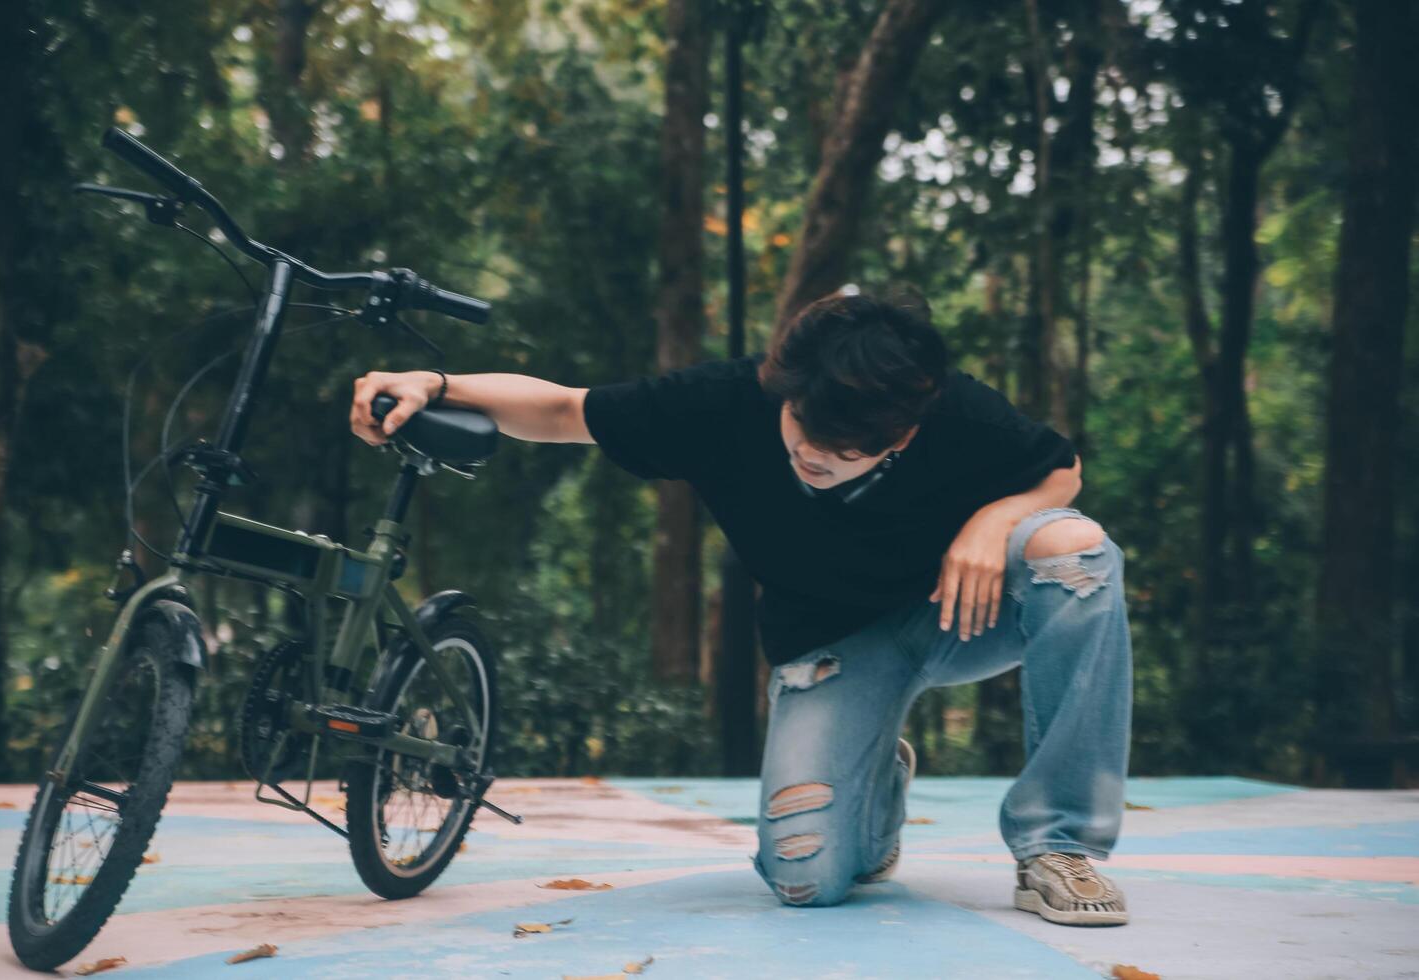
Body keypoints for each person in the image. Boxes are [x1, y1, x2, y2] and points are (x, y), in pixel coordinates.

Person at [349, 290, 1132, 925]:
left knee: (1076, 552)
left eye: (849, 453)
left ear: (905, 431)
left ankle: (1056, 845)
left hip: (959, 616)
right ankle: (872, 773)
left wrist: (994, 521)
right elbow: (561, 410)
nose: (816, 459)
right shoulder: (724, 402)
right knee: (808, 883)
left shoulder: (954, 409)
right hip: (835, 645)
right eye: (803, 434)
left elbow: (1060, 468)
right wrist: (436, 384)